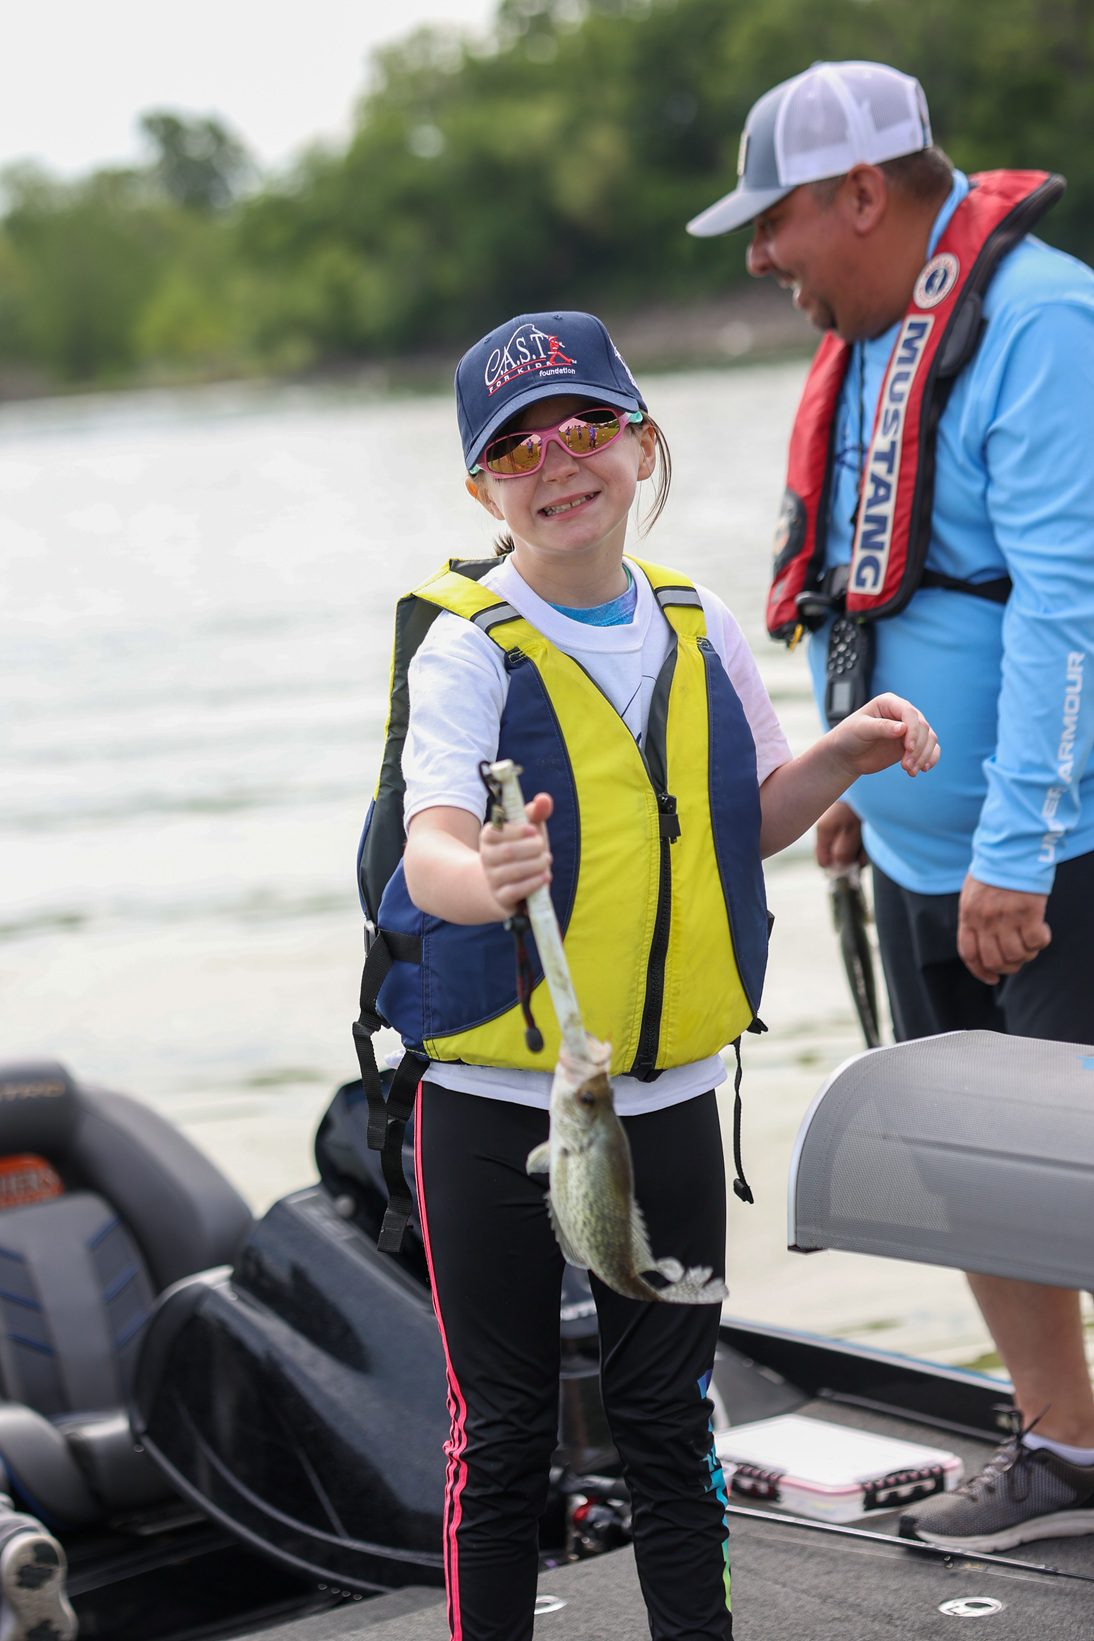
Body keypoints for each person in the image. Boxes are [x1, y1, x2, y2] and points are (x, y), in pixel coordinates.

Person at [363, 307, 938, 1640]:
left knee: (669, 1425)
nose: (558, 464)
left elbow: (750, 810)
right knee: (501, 1437)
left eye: (587, 428)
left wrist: (840, 754)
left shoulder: (697, 621)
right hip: (504, 1109)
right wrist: (488, 876)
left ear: (640, 443)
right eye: (516, 449)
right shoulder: (464, 645)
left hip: (672, 1092)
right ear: (480, 486)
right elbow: (434, 843)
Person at [686, 59, 1094, 1554]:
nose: (758, 255)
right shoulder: (869, 330)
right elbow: (875, 575)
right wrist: (854, 773)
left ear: (863, 195)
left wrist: (1012, 848)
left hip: (1055, 855)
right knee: (974, 1172)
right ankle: (1061, 1448)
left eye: (776, 219)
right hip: (930, 851)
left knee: (1083, 1173)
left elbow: (1066, 603)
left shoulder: (1043, 322)